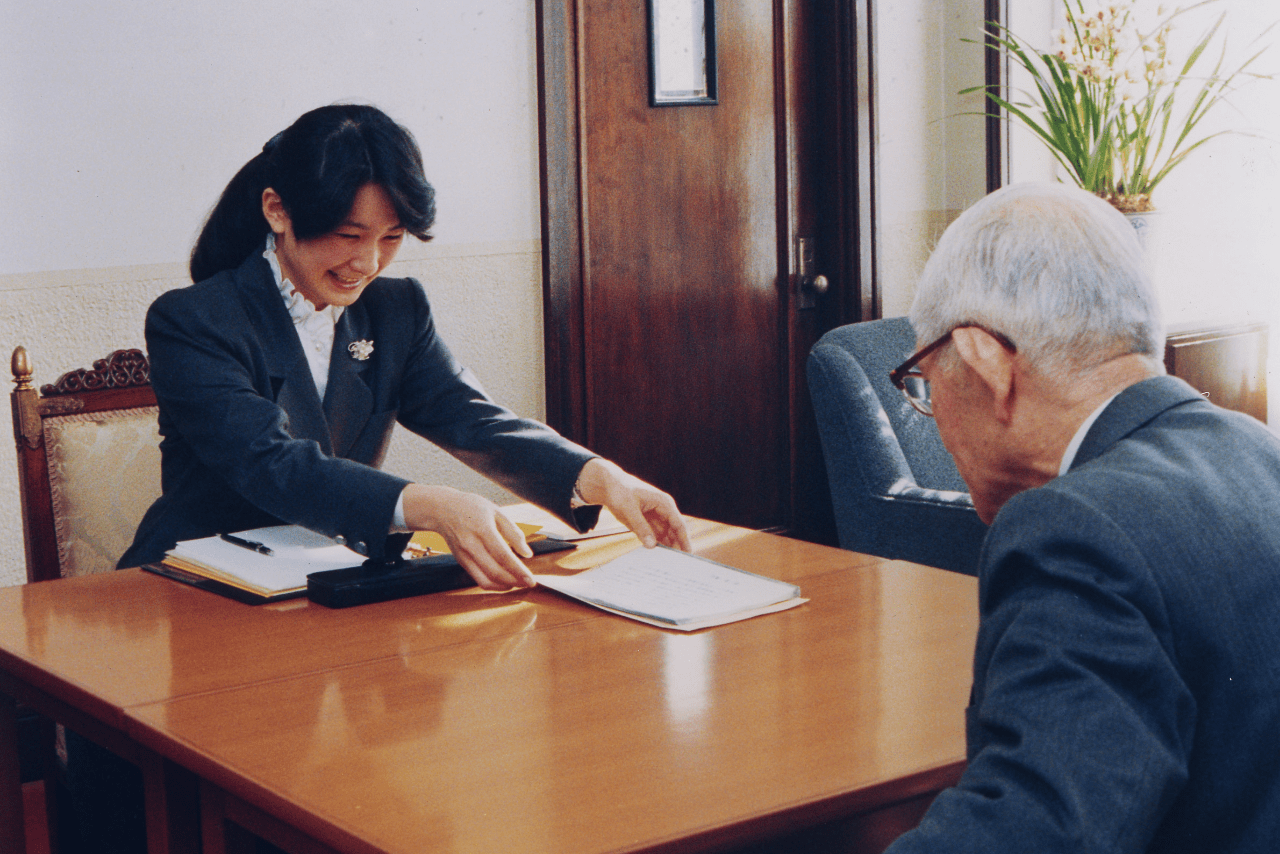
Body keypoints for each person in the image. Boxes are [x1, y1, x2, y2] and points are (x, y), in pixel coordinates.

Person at [118, 102, 690, 588]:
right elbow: (270, 464)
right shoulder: (192, 320)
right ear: (277, 210)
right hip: (201, 586)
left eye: (391, 238)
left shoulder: (396, 310)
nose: (366, 263)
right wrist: (428, 504)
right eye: (348, 235)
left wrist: (598, 475)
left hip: (326, 583)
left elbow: (473, 419)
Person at [883, 182, 1280, 852]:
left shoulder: (1076, 530)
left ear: (985, 362)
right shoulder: (1258, 451)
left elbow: (1034, 831)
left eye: (926, 383)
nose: (935, 414)